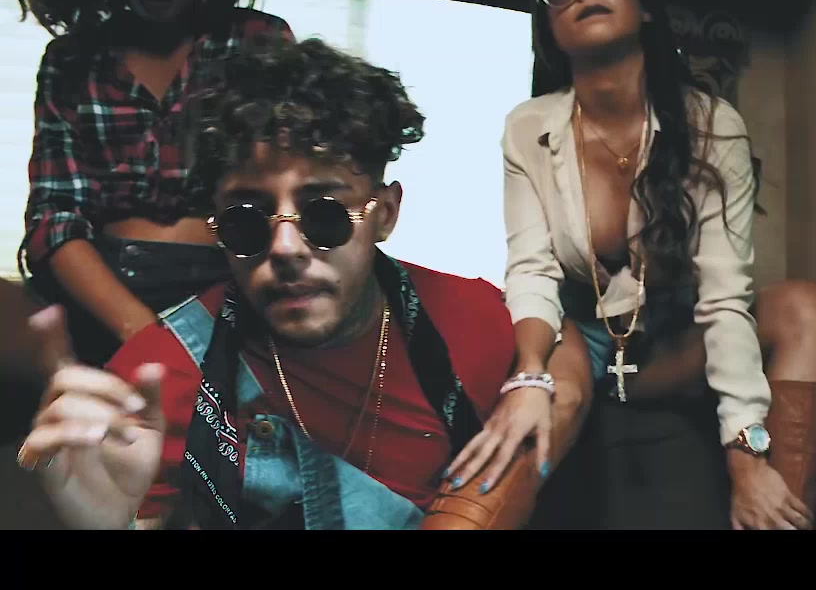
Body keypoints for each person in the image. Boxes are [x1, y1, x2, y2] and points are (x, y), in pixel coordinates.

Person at [12, 37, 592, 530]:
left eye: (324, 215)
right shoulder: (156, 378)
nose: (285, 248)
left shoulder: (466, 316)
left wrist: (536, 389)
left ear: (385, 214)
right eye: (247, 221)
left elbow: (564, 341)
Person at [475, 0, 816, 530]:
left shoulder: (713, 124)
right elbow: (532, 270)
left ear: (644, 5)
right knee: (548, 369)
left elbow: (724, 300)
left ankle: (777, 518)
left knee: (806, 306)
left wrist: (746, 456)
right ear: (549, 27)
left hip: (675, 350)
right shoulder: (527, 128)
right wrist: (530, 371)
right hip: (586, 348)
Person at [14, 0, 294, 373]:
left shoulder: (258, 41)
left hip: (230, 285)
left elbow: (286, 194)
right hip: (103, 292)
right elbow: (54, 218)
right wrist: (144, 335)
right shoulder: (70, 60)